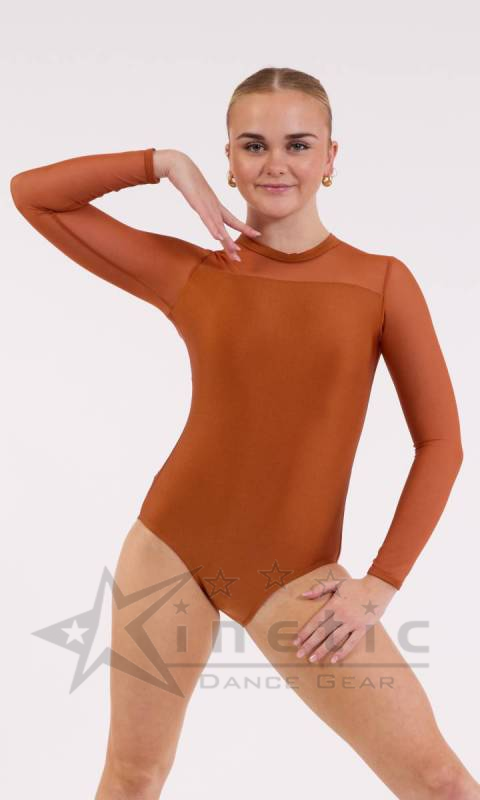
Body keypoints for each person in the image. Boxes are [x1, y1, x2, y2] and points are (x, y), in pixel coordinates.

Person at [10, 66, 478, 799]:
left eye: (299, 144)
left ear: (331, 157)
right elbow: (33, 194)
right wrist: (163, 164)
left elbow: (442, 444)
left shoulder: (381, 282)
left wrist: (380, 583)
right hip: (170, 547)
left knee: (441, 783)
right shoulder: (194, 272)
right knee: (132, 776)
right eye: (253, 145)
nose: (275, 163)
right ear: (227, 159)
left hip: (299, 579)